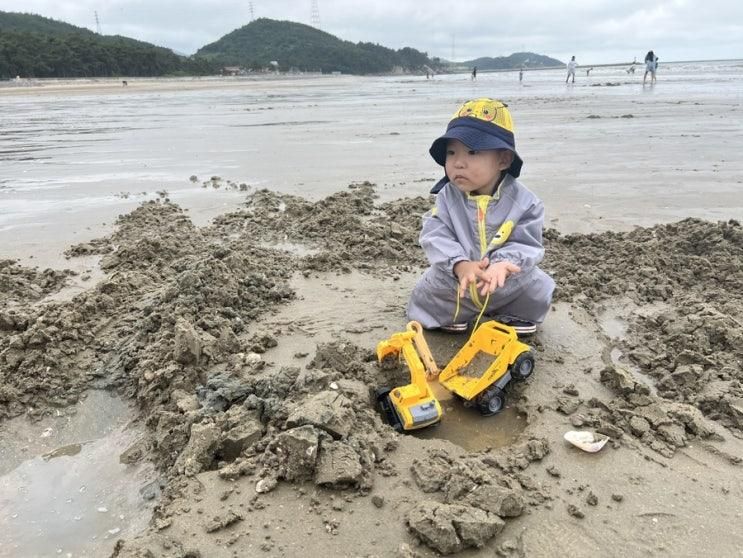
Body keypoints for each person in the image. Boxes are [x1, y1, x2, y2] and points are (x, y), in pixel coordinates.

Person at [407, 98, 555, 336]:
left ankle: (513, 315)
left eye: (472, 151)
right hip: (460, 279)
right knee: (427, 292)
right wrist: (459, 263)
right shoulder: (448, 197)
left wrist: (504, 264)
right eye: (451, 152)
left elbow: (527, 243)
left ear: (503, 160)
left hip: (505, 281)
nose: (458, 163)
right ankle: (452, 314)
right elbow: (435, 233)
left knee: (536, 288)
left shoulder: (526, 203)